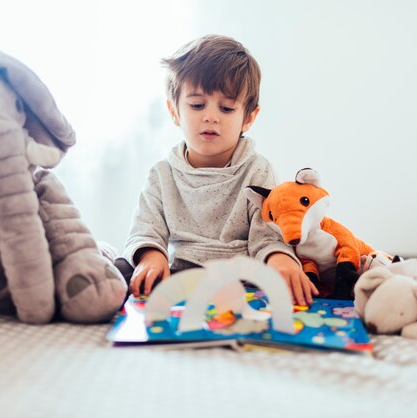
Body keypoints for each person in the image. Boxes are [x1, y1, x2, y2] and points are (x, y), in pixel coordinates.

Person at [114, 34, 318, 306]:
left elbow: (267, 235)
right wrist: (152, 256)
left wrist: (280, 259)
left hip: (242, 280)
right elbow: (145, 229)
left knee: (303, 271)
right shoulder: (162, 174)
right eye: (197, 105)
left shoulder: (257, 170)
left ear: (248, 118)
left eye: (226, 107)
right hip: (180, 276)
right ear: (174, 111)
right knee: (121, 270)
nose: (210, 116)